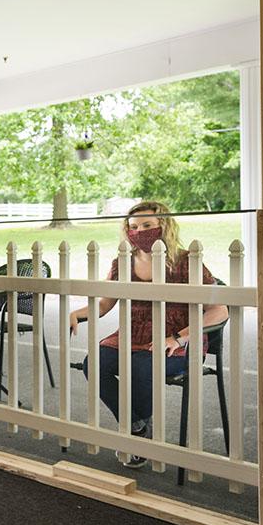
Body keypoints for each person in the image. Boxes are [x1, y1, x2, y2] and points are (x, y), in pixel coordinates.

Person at [69, 201, 228, 469]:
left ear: (163, 225)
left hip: (177, 340)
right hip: (132, 335)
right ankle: (138, 427)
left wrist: (178, 338)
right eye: (133, 227)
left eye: (146, 225)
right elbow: (105, 305)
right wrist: (78, 313)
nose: (139, 231)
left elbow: (219, 311)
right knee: (93, 363)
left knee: (142, 366)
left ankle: (137, 436)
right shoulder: (123, 262)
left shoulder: (187, 261)